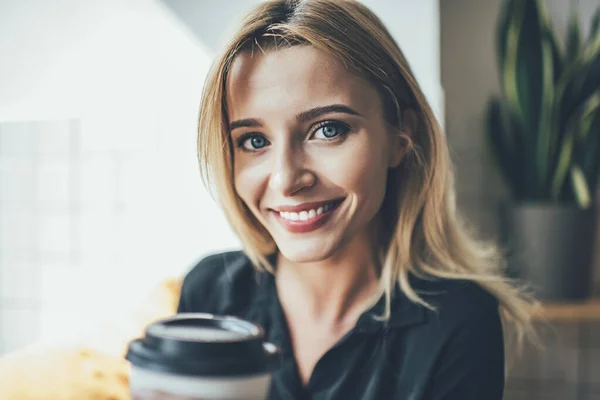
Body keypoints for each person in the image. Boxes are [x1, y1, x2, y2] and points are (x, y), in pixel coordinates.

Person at [177, 0, 538, 398]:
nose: (286, 179)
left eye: (328, 129)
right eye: (255, 141)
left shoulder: (459, 321)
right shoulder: (210, 292)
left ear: (402, 136)